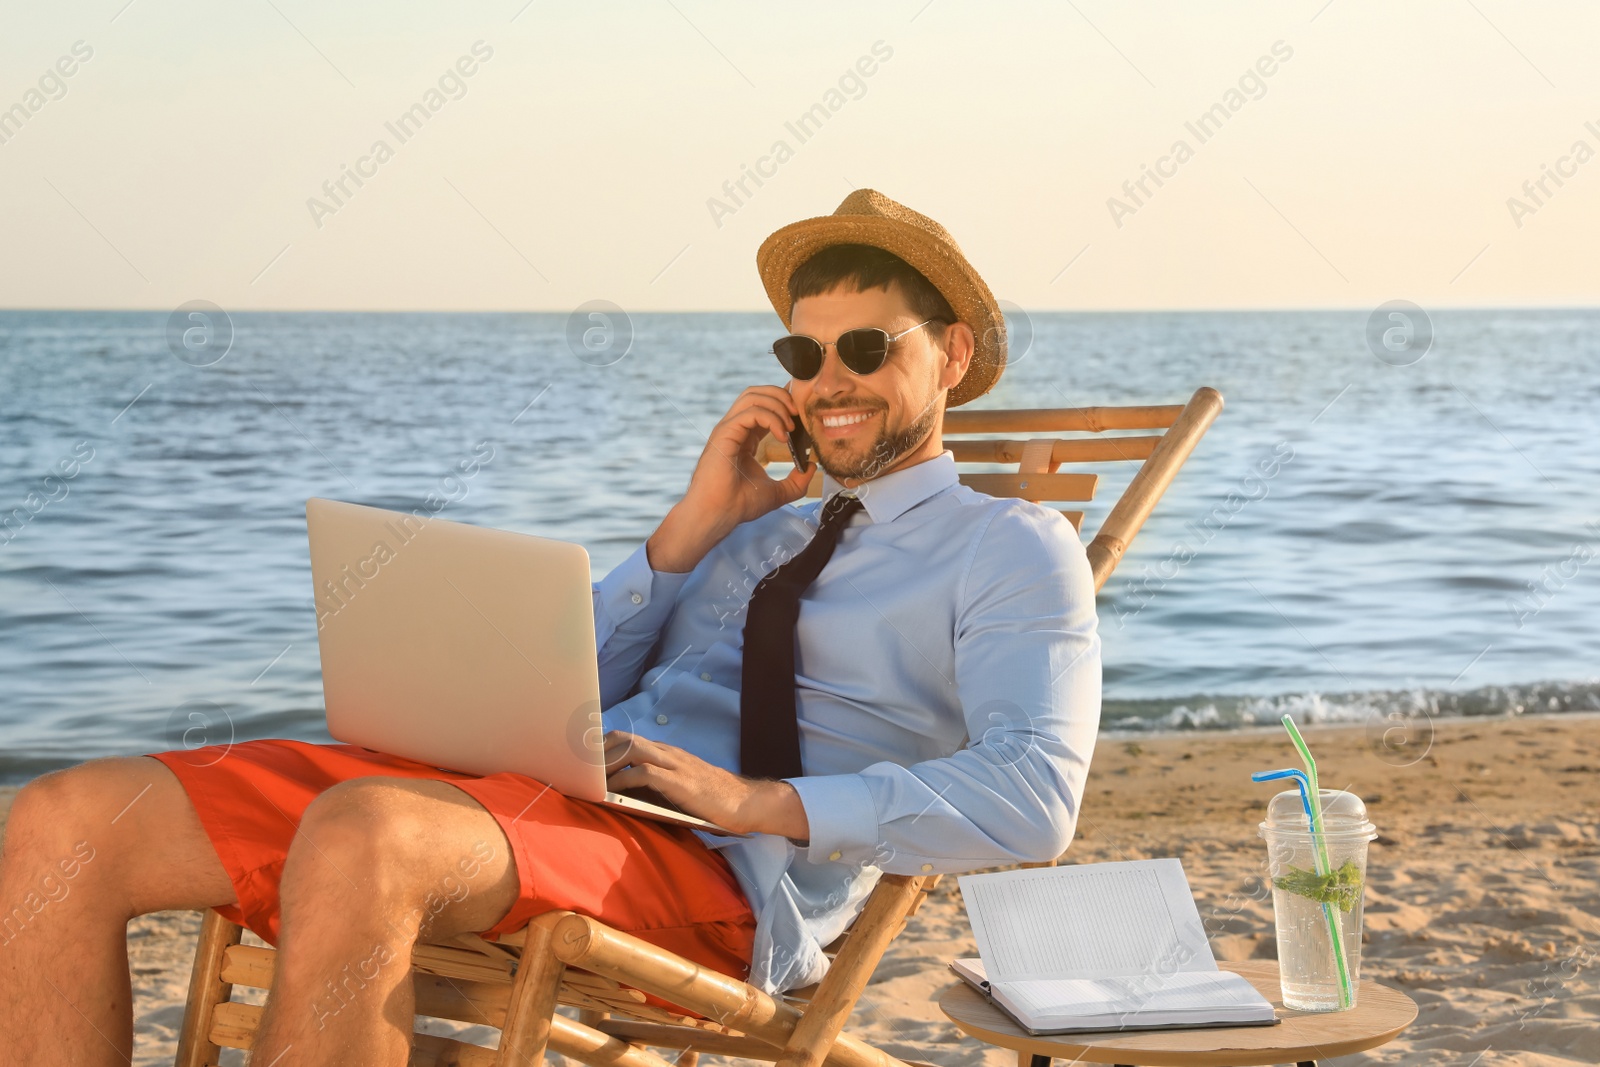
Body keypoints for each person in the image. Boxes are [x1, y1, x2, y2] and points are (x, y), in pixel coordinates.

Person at [0, 189, 1100, 1065]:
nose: (827, 383)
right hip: (543, 802)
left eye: (866, 348)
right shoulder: (756, 528)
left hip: (712, 866)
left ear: (950, 356)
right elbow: (557, 686)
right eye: (800, 357)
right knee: (63, 819)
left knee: (369, 832)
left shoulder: (1011, 546)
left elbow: (1035, 798)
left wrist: (758, 799)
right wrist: (688, 530)